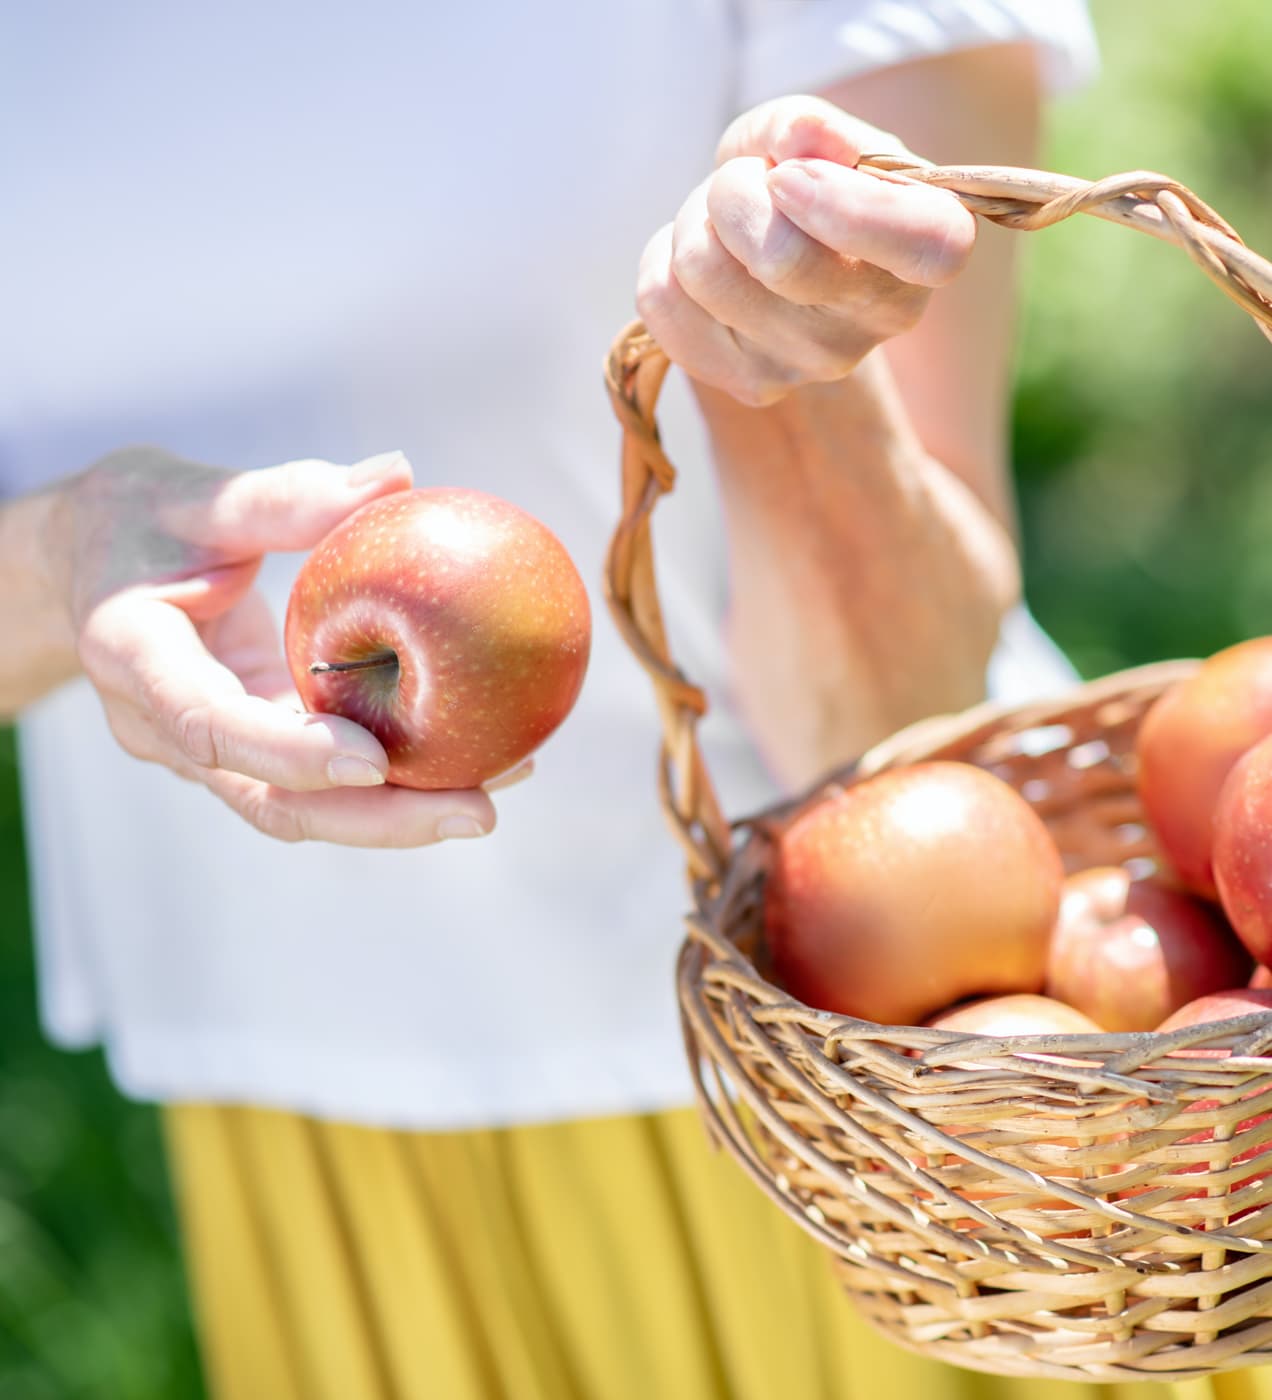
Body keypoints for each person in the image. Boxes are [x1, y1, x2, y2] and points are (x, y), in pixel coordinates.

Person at [9, 4, 1244, 1399]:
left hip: (860, 1102)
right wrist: (56, 565)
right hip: (294, 1101)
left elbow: (909, 699)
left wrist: (784, 364)